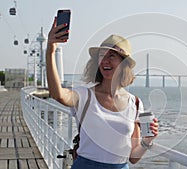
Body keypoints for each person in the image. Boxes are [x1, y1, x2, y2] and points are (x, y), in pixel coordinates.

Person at [46, 16, 159, 169]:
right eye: (101, 56)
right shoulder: (84, 96)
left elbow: (133, 157)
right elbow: (57, 94)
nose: (104, 60)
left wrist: (148, 140)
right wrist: (50, 50)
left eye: (111, 56)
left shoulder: (136, 104)